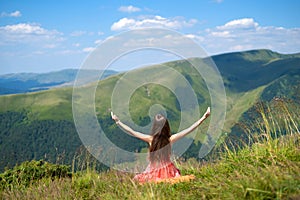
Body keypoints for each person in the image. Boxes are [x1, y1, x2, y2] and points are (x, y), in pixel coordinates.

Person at [111, 107, 210, 183]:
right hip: (168, 169)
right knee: (175, 179)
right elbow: (189, 129)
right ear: (167, 127)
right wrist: (203, 117)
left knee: (141, 180)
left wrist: (118, 121)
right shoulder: (170, 140)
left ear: (155, 127)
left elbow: (132, 132)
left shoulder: (151, 140)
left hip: (153, 169)